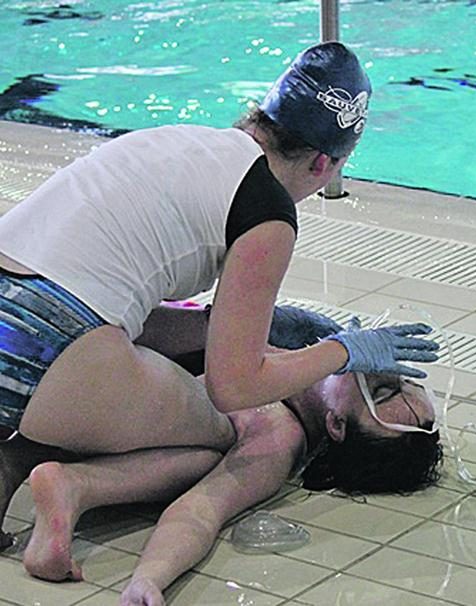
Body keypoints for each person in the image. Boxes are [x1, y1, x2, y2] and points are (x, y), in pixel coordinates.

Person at [0, 42, 438, 481]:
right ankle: (54, 480)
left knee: (105, 372)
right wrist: (342, 351)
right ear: (324, 163)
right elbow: (234, 387)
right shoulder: (267, 210)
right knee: (227, 432)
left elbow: (112, 307)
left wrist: (215, 326)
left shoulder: (175, 140)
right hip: (39, 347)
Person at [16, 309, 443, 606]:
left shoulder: (278, 435)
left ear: (336, 425)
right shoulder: (294, 349)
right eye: (406, 380)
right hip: (57, 364)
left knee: (207, 457)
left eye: (381, 390)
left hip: (52, 374)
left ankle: (75, 485)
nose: (383, 369)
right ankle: (71, 484)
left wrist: (148, 579)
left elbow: (200, 512)